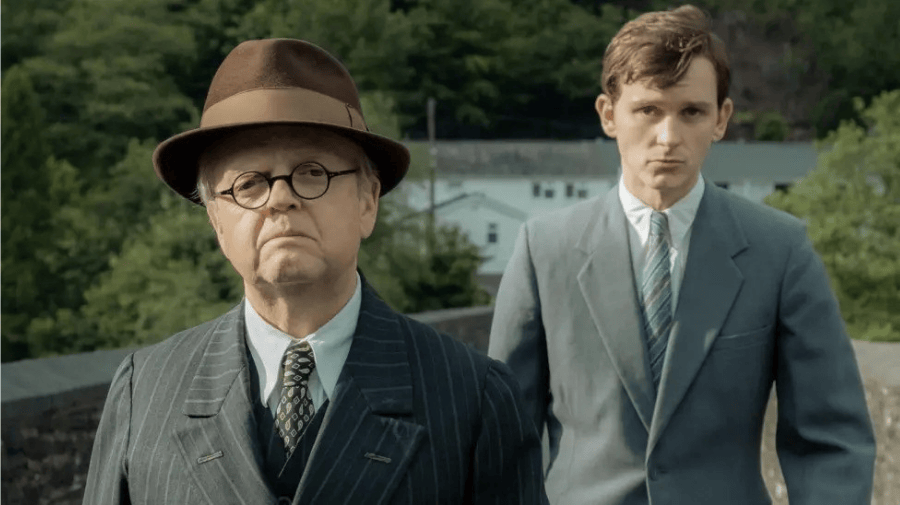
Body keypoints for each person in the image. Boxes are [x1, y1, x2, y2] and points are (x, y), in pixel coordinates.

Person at [83, 38, 546, 505]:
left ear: (368, 201)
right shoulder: (145, 392)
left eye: (312, 172)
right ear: (216, 222)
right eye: (249, 183)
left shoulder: (472, 398)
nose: (282, 198)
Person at [488, 5, 876, 504]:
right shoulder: (544, 249)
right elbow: (502, 440)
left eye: (691, 111)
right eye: (648, 109)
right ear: (609, 115)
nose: (668, 137)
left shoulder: (779, 250)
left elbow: (833, 440)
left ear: (721, 119)